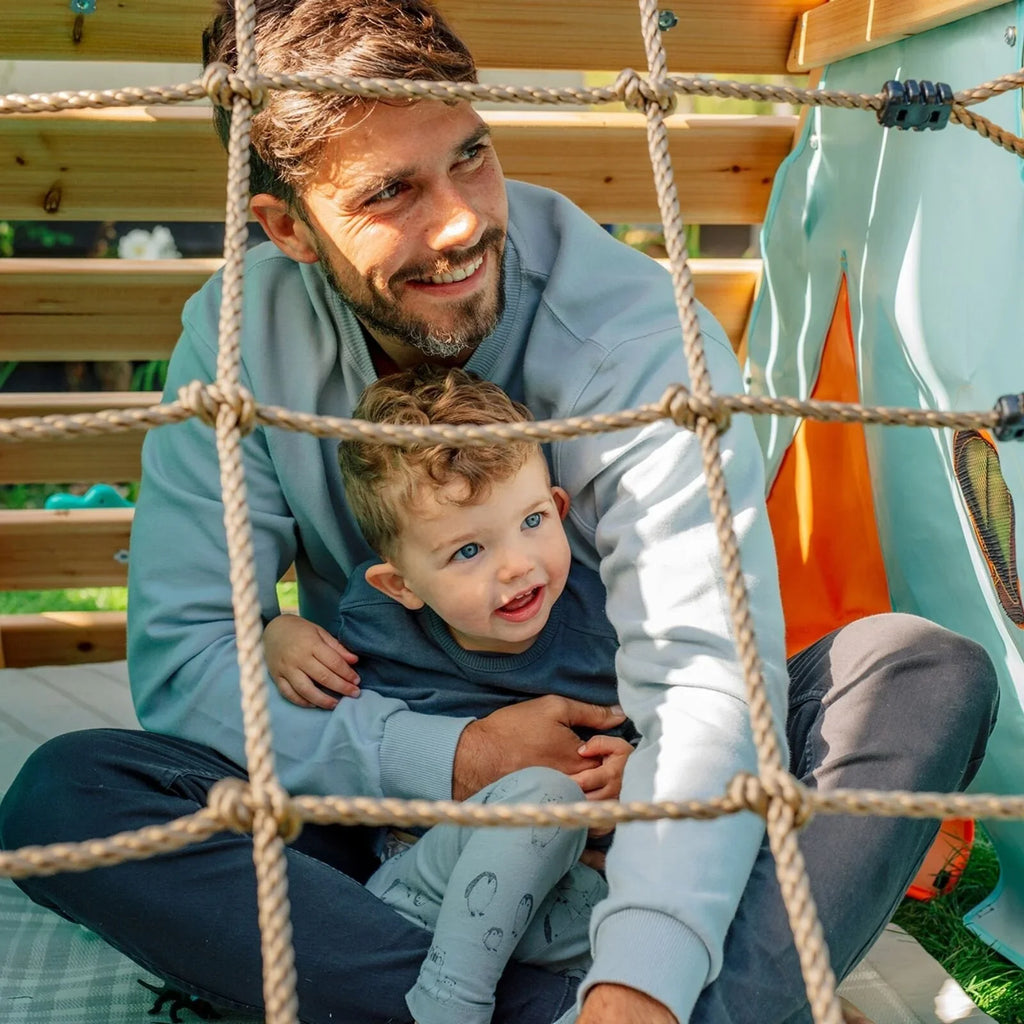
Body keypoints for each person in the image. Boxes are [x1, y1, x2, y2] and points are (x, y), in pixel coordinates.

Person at [0, 2, 998, 1023]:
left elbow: (702, 683)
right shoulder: (238, 334)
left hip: (629, 790)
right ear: (288, 227)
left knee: (919, 673)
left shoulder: (636, 340)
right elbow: (188, 656)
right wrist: (462, 758)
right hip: (392, 819)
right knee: (71, 797)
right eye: (391, 191)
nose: (461, 223)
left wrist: (637, 985)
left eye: (470, 156)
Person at [265, 365, 632, 1024]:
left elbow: (652, 738)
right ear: (401, 585)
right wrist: (281, 635)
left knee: (654, 908)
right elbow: (318, 702)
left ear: (559, 508)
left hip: (562, 891)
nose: (516, 564)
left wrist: (631, 774)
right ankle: (447, 1005)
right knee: (542, 795)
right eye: (468, 551)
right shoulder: (376, 622)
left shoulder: (604, 623)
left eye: (531, 520)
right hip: (418, 880)